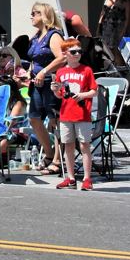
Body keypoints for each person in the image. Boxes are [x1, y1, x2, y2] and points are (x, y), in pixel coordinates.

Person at [27, 2, 67, 174]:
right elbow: (34, 59)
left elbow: (62, 58)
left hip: (51, 83)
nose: (31, 16)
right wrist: (27, 72)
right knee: (34, 118)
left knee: (54, 121)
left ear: (45, 16)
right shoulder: (35, 37)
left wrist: (44, 71)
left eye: (35, 13)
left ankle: (58, 160)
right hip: (36, 83)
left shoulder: (54, 35)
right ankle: (49, 153)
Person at [53, 39, 97, 191]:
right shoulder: (61, 72)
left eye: (79, 51)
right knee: (68, 146)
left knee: (85, 146)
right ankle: (70, 178)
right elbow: (60, 95)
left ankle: (87, 178)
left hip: (82, 114)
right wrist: (54, 90)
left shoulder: (87, 70)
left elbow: (94, 91)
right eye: (73, 52)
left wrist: (83, 95)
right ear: (65, 54)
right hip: (66, 114)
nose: (77, 54)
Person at [96, 0, 130, 66]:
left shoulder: (126, 1)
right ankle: (110, 71)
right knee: (106, 50)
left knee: (117, 51)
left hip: (118, 29)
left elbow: (128, 18)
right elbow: (102, 12)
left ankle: (120, 73)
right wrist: (99, 26)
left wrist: (123, 32)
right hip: (106, 28)